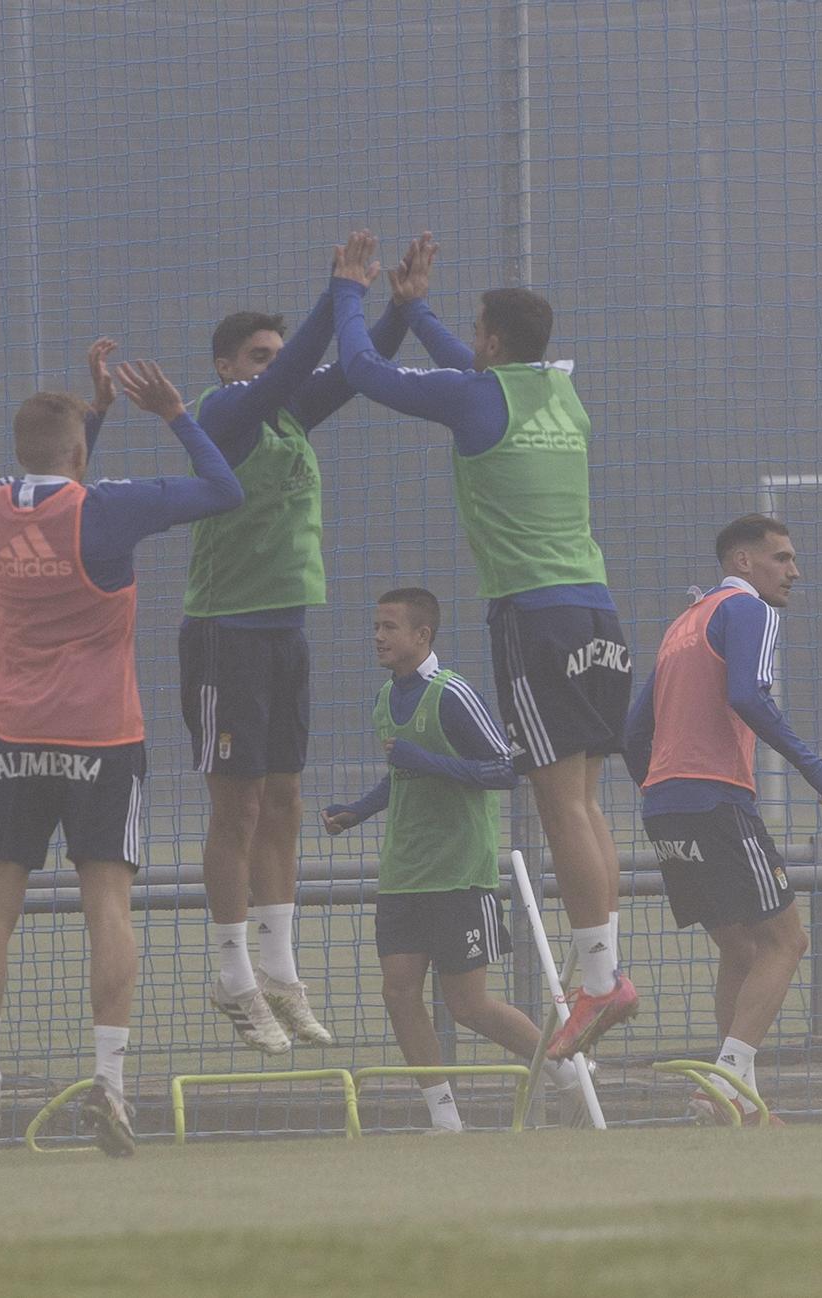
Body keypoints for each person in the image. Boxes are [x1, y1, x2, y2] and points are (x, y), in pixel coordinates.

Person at [329, 230, 638, 1062]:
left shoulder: (473, 400)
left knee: (558, 805)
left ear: (493, 342)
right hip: (600, 615)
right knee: (588, 800)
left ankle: (602, 984)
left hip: (535, 618)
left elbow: (363, 374)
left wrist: (349, 295)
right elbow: (474, 368)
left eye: (476, 331)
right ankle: (608, 972)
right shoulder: (561, 395)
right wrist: (418, 307)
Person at [0, 351, 244, 1156]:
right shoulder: (110, 510)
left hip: (11, 732)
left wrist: (91, 416)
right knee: (107, 911)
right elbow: (224, 490)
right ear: (81, 452)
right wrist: (174, 414)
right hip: (100, 737)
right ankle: (111, 1086)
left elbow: (57, 489)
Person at [183, 246, 425, 1054]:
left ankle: (282, 975)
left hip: (286, 631)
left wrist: (394, 309)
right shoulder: (225, 413)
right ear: (227, 366)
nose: (273, 366)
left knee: (283, 796)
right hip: (227, 632)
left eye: (275, 354)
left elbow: (354, 369)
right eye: (258, 355)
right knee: (238, 804)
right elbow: (293, 374)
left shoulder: (288, 410)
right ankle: (233, 976)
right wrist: (336, 295)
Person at [322, 589, 591, 1131]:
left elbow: (503, 770)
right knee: (398, 993)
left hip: (457, 874)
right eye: (376, 625)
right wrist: (358, 811)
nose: (378, 636)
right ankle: (445, 1117)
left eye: (390, 627)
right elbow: (403, 777)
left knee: (467, 1005)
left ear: (423, 636)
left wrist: (430, 761)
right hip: (403, 874)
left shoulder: (452, 695)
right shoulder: (384, 699)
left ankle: (568, 1071)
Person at [623, 516, 822, 1124]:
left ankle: (738, 1105)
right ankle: (721, 1084)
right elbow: (748, 696)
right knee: (788, 941)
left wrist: (661, 787)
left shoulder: (682, 625)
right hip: (717, 800)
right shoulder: (750, 611)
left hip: (665, 808)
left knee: (743, 952)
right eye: (782, 558)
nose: (794, 572)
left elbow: (631, 734)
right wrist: (813, 766)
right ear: (744, 563)